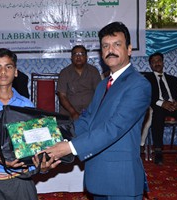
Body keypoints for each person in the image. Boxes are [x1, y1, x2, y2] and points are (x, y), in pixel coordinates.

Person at [44, 22, 151, 199]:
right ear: (101, 53)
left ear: (129, 49)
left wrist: (70, 147)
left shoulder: (138, 84)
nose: (111, 50)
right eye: (105, 46)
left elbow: (114, 127)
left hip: (121, 180)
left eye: (117, 44)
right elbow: (88, 120)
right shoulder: (103, 85)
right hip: (98, 175)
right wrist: (53, 135)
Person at [0, 48, 60, 200]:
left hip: (20, 179)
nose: (3, 72)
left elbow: (34, 145)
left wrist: (40, 164)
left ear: (15, 72)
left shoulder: (26, 105)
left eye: (8, 67)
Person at [144, 52, 177, 165]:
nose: (156, 63)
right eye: (153, 62)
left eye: (159, 60)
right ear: (150, 65)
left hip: (173, 107)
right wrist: (162, 103)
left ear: (163, 62)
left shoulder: (172, 79)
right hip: (157, 106)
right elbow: (146, 96)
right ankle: (158, 151)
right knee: (157, 114)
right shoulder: (147, 79)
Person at [57, 45, 101, 120]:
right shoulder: (64, 73)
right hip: (69, 111)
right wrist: (73, 112)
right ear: (71, 57)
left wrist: (93, 111)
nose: (78, 57)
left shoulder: (93, 71)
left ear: (86, 57)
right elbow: (62, 96)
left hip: (90, 111)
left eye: (81, 54)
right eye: (75, 54)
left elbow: (99, 93)